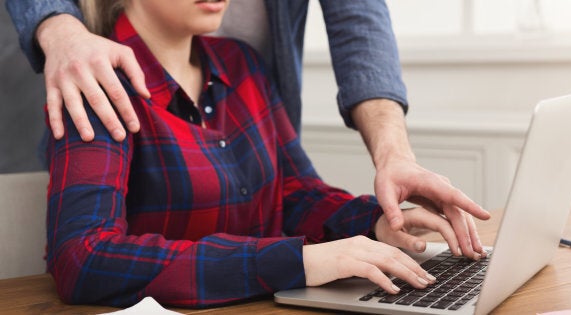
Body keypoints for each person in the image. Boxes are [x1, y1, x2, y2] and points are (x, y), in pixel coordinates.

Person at [37, 0, 488, 308]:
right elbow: (83, 258)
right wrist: (297, 261)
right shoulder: (94, 85)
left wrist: (376, 222)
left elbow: (293, 193)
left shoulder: (241, 63)